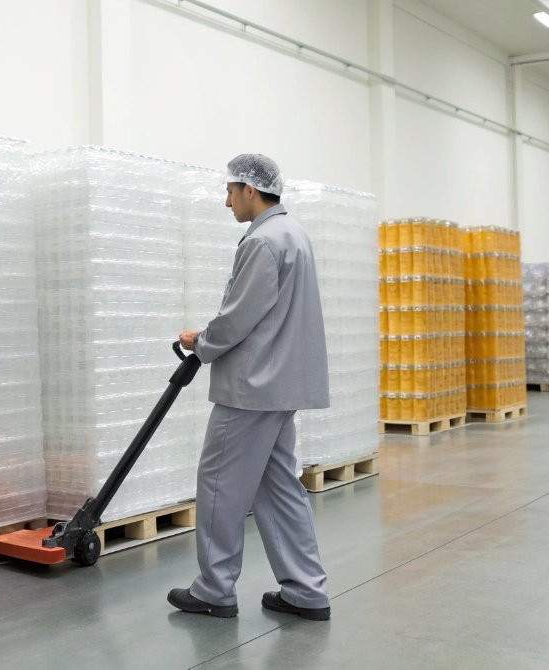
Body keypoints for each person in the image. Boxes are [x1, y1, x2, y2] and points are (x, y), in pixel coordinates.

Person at [167, 154, 331, 621]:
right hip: (282, 386)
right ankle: (306, 590)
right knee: (278, 486)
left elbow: (242, 314)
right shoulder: (294, 234)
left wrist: (203, 342)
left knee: (218, 482)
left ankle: (214, 589)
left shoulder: (263, 241)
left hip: (252, 386)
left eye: (230, 191)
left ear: (251, 191)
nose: (226, 201)